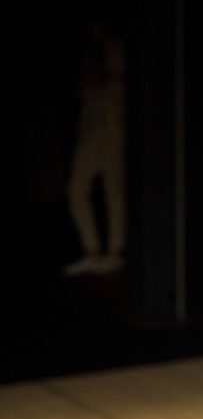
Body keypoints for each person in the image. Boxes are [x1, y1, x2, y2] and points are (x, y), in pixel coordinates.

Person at [62, 18, 127, 276]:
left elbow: (116, 76)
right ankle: (93, 251)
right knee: (77, 189)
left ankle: (114, 252)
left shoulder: (113, 46)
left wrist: (100, 77)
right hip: (91, 123)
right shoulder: (91, 50)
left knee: (113, 187)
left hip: (111, 122)